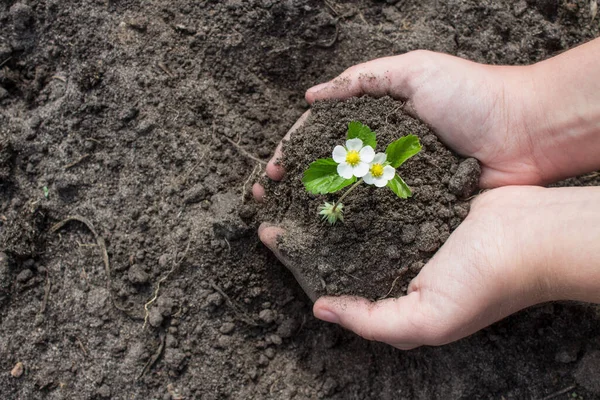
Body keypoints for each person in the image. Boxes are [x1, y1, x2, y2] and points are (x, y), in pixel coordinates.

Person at [252, 38, 600, 350]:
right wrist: (512, 112)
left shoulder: (375, 166)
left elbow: (371, 165)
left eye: (364, 160)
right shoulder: (354, 162)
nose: (362, 160)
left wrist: (525, 251)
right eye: (359, 159)